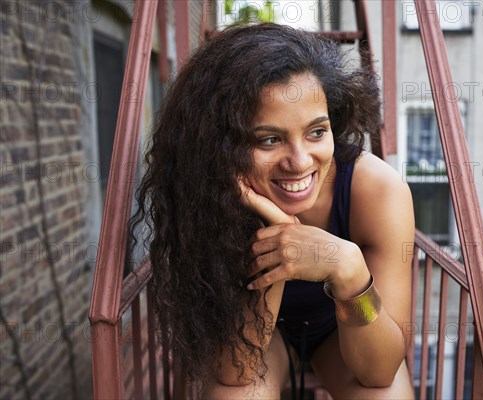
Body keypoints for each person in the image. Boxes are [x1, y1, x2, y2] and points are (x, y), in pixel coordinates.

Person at [130, 23, 415, 399]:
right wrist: (280, 235)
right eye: (269, 139)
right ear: (223, 144)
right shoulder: (211, 195)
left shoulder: (377, 191)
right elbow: (236, 369)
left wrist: (348, 268)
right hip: (262, 333)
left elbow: (380, 371)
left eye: (316, 132)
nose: (299, 162)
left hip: (339, 330)